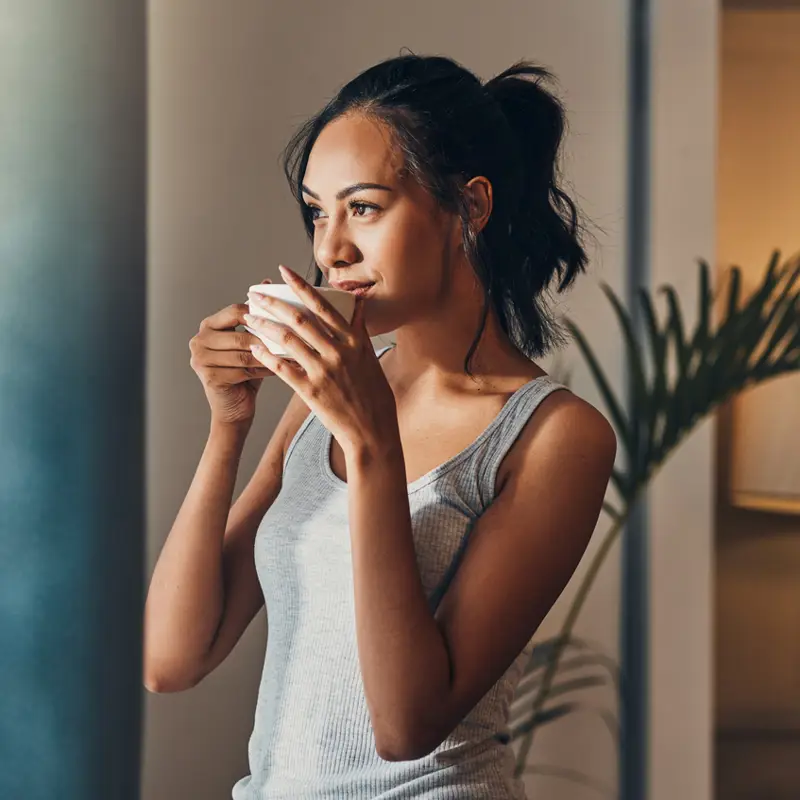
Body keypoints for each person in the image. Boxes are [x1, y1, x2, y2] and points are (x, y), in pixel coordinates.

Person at [144, 52, 617, 799]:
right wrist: (228, 425)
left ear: (470, 208)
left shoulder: (555, 436)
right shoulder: (319, 399)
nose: (330, 250)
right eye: (316, 210)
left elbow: (406, 724)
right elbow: (173, 659)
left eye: (362, 207)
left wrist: (371, 446)